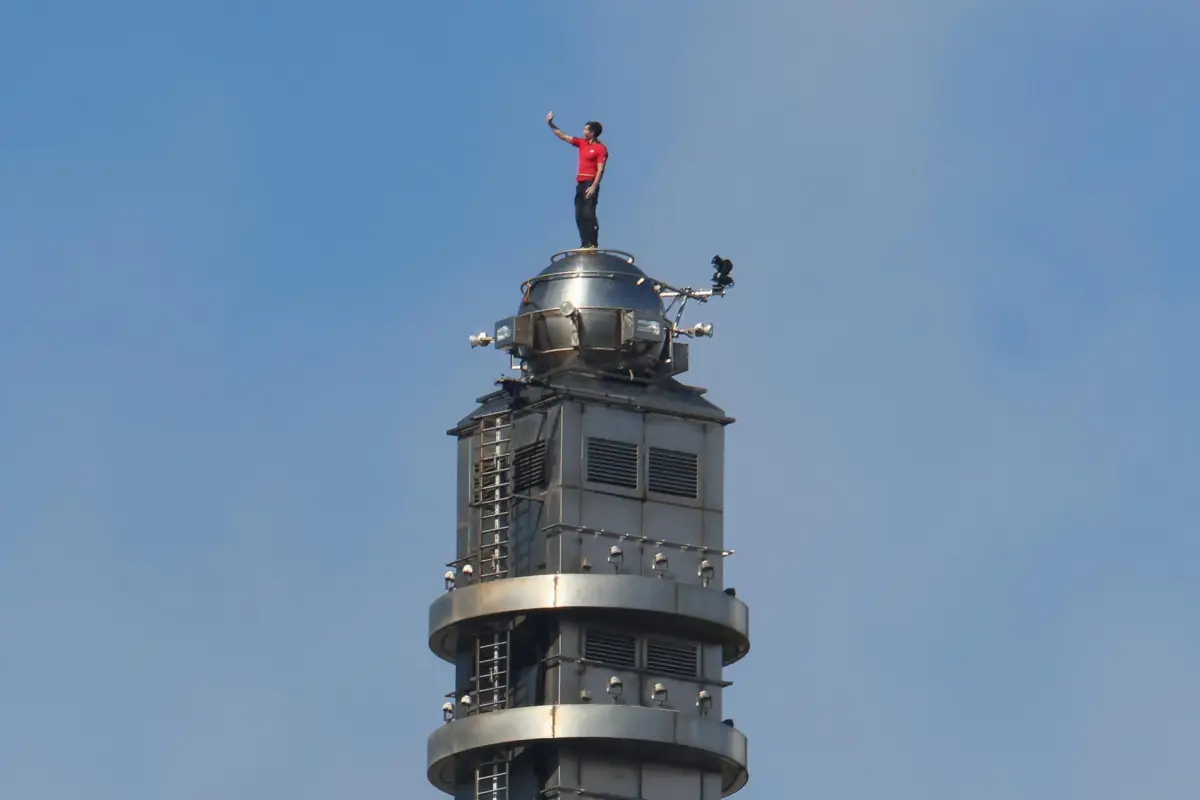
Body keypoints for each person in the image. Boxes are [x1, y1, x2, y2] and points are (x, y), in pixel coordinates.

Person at [546, 112, 608, 249]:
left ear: (592, 132)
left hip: (590, 183)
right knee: (579, 215)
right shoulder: (582, 143)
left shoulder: (600, 149)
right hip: (580, 183)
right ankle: (584, 244)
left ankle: (593, 243)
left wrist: (594, 186)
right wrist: (551, 124)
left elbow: (600, 169)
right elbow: (563, 136)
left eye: (586, 129)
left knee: (588, 213)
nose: (583, 131)